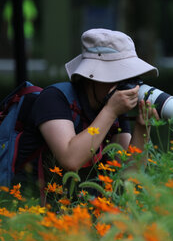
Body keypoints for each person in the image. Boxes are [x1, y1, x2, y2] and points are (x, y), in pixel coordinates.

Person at [14, 28, 159, 198]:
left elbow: (129, 177)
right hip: (27, 208)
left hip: (77, 214)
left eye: (130, 77)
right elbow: (71, 159)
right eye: (119, 75)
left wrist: (143, 128)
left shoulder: (113, 106)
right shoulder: (55, 98)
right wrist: (111, 111)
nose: (126, 84)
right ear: (93, 75)